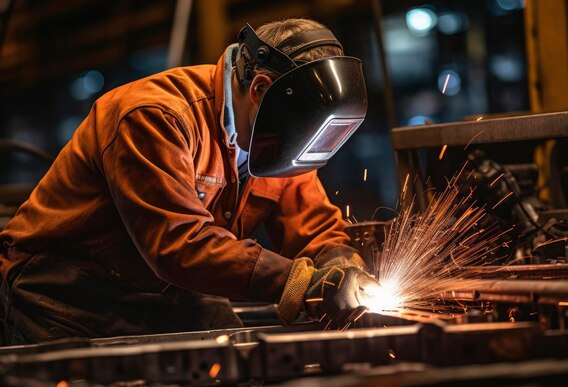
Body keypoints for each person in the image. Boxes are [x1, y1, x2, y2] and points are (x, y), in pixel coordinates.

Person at [0, 18, 378, 345]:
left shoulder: (280, 140)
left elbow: (312, 227)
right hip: (67, 288)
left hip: (165, 288)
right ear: (260, 89)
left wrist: (340, 264)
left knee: (238, 373)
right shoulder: (156, 116)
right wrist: (300, 282)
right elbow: (179, 243)